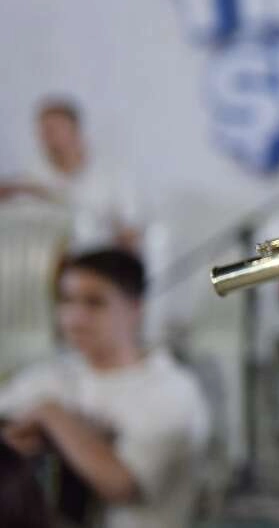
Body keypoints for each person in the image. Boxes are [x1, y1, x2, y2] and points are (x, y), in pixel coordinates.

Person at [0, 249, 210, 528]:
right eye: (66, 300)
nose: (75, 317)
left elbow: (121, 485)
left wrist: (52, 417)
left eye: (94, 303)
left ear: (135, 308)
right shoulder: (50, 374)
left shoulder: (172, 389)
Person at [0, 98, 144, 253]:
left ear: (74, 130)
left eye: (53, 130)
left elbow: (131, 229)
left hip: (100, 261)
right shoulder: (33, 173)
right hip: (48, 261)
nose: (46, 138)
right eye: (42, 131)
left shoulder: (112, 171)